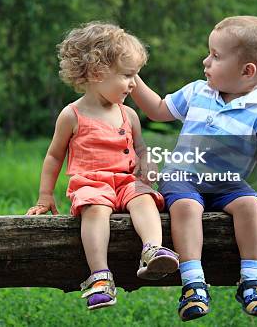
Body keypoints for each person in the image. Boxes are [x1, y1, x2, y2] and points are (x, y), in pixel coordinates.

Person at [131, 15, 257, 321]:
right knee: (186, 207)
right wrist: (133, 80)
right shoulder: (198, 92)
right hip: (183, 177)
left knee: (250, 206)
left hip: (229, 183)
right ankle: (193, 283)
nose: (206, 61)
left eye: (216, 56)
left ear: (247, 71)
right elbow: (158, 110)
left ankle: (252, 281)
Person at [26, 21, 179, 310]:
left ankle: (152, 250)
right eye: (127, 75)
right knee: (95, 210)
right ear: (97, 73)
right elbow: (54, 156)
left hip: (125, 181)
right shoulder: (72, 115)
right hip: (91, 183)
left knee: (144, 198)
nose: (134, 84)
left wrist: (147, 162)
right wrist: (45, 196)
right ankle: (99, 275)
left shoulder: (129, 114)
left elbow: (141, 148)